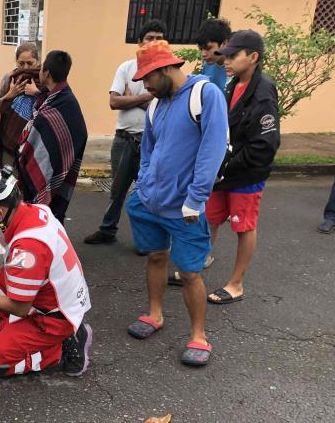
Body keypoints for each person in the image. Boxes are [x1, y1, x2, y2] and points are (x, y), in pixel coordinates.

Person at [123, 40, 228, 366]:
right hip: (153, 201)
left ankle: (199, 335)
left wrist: (196, 199)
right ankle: (155, 315)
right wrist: (143, 185)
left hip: (186, 209)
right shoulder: (157, 104)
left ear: (167, 69)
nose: (145, 85)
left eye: (149, 78)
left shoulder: (205, 95)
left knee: (190, 273)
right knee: (156, 257)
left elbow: (213, 149)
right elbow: (149, 150)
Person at [0, 167, 93, 378]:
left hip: (52, 319)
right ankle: (15, 330)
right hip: (57, 298)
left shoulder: (27, 248)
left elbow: (20, 307)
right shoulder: (32, 210)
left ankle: (58, 348)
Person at [205, 30, 280, 305]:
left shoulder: (263, 92)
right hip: (222, 172)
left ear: (253, 57)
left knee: (244, 226)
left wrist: (229, 166)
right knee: (210, 218)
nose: (226, 60)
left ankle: (236, 284)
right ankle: (195, 265)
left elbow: (264, 145)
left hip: (246, 174)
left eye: (233, 55)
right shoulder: (232, 84)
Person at [84, 20, 166, 246]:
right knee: (117, 189)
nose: (154, 42)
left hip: (151, 141)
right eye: (150, 38)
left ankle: (147, 240)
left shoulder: (167, 73)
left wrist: (132, 99)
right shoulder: (126, 68)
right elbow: (114, 101)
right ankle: (107, 230)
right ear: (140, 43)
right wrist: (148, 97)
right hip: (124, 139)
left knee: (147, 192)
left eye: (159, 38)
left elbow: (164, 110)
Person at [18, 50, 88, 223]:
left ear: (47, 73)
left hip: (56, 167)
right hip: (59, 164)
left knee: (46, 212)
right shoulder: (62, 98)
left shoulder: (61, 102)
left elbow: (31, 136)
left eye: (41, 68)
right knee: (49, 212)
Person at [0, 42, 42, 168]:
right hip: (7, 141)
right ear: (16, 62)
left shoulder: (45, 79)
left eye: (30, 63)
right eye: (21, 63)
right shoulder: (9, 78)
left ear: (38, 61)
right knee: (7, 180)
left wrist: (37, 93)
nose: (25, 67)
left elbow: (53, 104)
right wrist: (10, 94)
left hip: (35, 143)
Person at [197, 18, 232, 93]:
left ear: (224, 43)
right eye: (201, 49)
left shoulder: (235, 69)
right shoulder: (206, 66)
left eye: (208, 48)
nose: (203, 54)